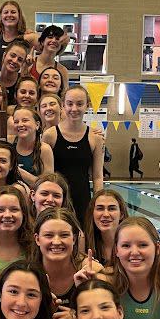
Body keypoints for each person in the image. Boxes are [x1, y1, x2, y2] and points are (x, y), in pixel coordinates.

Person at [34, 207, 103, 319]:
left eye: (64, 235)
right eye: (48, 235)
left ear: (74, 239)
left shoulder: (92, 270)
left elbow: (107, 318)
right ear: (37, 239)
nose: (56, 242)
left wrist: (78, 318)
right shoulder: (27, 275)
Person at [43, 85, 104, 229]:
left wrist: (99, 203)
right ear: (63, 105)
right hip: (56, 199)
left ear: (87, 106)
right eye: (69, 104)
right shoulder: (50, 135)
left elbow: (97, 176)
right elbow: (46, 174)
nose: (74, 109)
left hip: (83, 200)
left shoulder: (95, 138)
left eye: (79, 104)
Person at [0, 186, 33, 273]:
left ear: (23, 214)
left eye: (14, 209)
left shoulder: (35, 248)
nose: (7, 215)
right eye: (0, 210)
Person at [84, 188, 129, 277]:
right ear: (92, 213)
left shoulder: (131, 243)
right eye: (100, 208)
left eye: (112, 208)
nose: (105, 214)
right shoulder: (85, 243)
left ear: (121, 214)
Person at [0, 0, 39, 71]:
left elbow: (49, 46)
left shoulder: (28, 36)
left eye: (13, 12)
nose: (9, 15)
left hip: (18, 80)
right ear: (1, 16)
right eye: (6, 12)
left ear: (19, 15)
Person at [12, 107, 53, 188]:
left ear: (37, 125)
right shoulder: (9, 146)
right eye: (16, 122)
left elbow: (47, 185)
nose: (20, 124)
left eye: (25, 120)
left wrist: (16, 170)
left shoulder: (44, 149)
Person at [27, 25, 69, 93]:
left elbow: (65, 95)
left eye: (57, 39)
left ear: (61, 46)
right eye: (50, 37)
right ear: (42, 42)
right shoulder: (29, 64)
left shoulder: (62, 71)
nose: (53, 40)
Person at [0, 41, 27, 107]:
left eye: (20, 60)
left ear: (22, 64)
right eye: (12, 56)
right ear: (4, 56)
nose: (15, 61)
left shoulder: (23, 83)